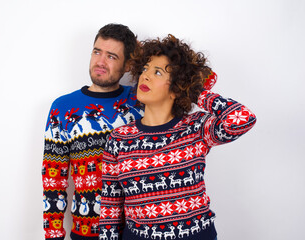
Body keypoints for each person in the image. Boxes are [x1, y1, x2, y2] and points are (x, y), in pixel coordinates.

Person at [99, 35, 256, 240]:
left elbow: (243, 119)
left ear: (176, 88)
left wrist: (196, 92)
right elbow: (110, 207)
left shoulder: (196, 127)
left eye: (157, 72)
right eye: (145, 69)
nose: (145, 76)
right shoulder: (118, 139)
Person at [42, 23, 143, 240]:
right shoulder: (63, 108)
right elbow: (53, 179)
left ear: (128, 65)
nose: (100, 62)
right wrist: (53, 235)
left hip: (138, 231)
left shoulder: (142, 101)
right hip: (87, 232)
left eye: (112, 56)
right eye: (97, 52)